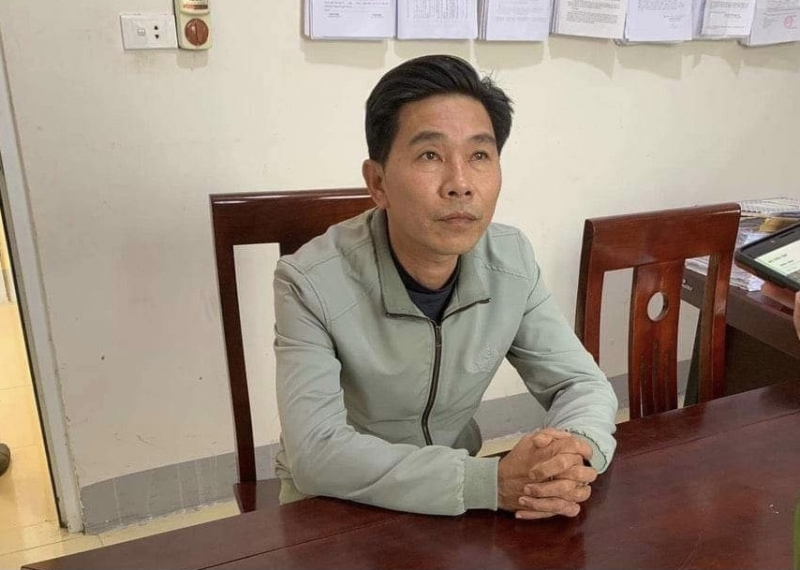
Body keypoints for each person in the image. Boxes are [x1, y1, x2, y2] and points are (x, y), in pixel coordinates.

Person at [273, 54, 617, 520]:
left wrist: (571, 454)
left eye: (479, 155)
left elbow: (580, 382)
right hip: (338, 506)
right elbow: (316, 452)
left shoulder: (510, 260)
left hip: (456, 499)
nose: (460, 184)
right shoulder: (308, 282)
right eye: (430, 155)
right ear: (378, 182)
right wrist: (487, 482)